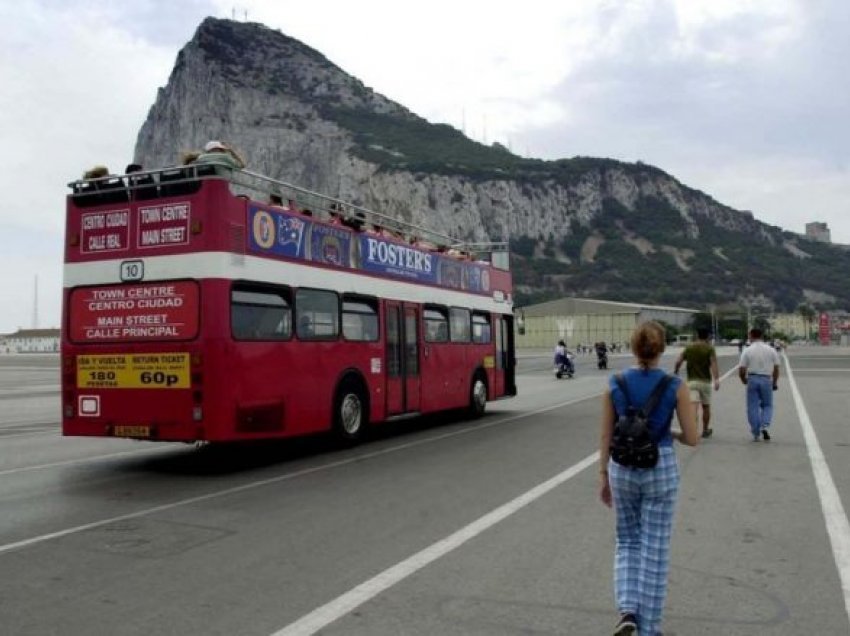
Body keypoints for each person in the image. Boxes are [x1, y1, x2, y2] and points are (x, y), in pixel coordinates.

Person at [599, 321, 698, 636]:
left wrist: (603, 474)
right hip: (660, 466)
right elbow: (693, 438)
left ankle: (628, 611)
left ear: (632, 347)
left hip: (622, 468)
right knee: (655, 548)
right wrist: (668, 431)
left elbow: (606, 435)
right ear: (662, 348)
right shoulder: (674, 385)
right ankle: (650, 628)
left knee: (627, 540)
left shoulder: (614, 382)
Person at [673, 327, 720, 438]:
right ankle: (705, 430)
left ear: (697, 335)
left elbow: (678, 361)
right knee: (706, 406)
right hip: (705, 382)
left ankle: (693, 429)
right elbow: (713, 364)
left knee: (693, 406)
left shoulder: (689, 348)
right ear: (707, 336)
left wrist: (676, 371)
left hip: (692, 382)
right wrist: (716, 379)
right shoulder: (709, 349)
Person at [738, 327, 780, 441]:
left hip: (752, 378)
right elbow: (776, 368)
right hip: (766, 379)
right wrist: (774, 382)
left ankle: (755, 432)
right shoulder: (771, 350)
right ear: (762, 336)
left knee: (752, 406)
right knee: (767, 405)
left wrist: (743, 380)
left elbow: (742, 369)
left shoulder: (747, 350)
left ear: (751, 336)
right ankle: (765, 425)